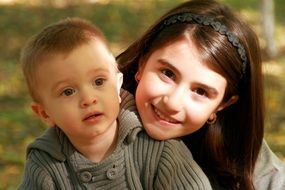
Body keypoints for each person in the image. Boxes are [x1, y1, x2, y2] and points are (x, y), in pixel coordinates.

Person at [18, 17, 213, 189]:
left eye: (99, 82)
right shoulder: (44, 165)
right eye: (68, 91)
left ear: (118, 86)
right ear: (45, 114)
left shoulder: (159, 152)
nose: (88, 99)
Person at [116, 0, 285, 189]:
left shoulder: (246, 158)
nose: (173, 102)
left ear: (222, 104)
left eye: (200, 91)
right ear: (142, 63)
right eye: (168, 73)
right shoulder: (92, 112)